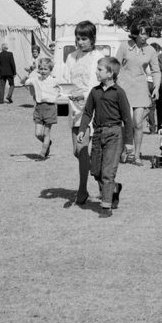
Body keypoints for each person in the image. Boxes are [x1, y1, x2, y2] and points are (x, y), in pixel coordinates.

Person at [76, 56, 133, 214]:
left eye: (100, 69)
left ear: (110, 73)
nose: (96, 72)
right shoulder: (94, 92)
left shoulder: (119, 93)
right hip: (98, 133)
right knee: (96, 171)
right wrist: (82, 129)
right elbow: (87, 113)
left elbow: (127, 118)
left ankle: (106, 205)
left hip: (114, 134)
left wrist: (129, 142)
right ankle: (114, 188)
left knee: (108, 172)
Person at [62, 20, 102, 206]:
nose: (80, 42)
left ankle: (82, 189)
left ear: (92, 39)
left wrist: (84, 95)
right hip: (74, 110)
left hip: (91, 110)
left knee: (82, 149)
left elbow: (99, 86)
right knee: (78, 153)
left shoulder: (98, 57)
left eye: (84, 38)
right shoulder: (71, 57)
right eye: (78, 38)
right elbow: (65, 81)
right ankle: (105, 182)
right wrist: (65, 96)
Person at [115, 22, 161, 164]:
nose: (144, 36)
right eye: (142, 33)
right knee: (125, 122)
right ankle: (124, 150)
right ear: (135, 32)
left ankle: (136, 155)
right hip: (123, 88)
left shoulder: (151, 50)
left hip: (141, 88)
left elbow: (156, 71)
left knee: (138, 123)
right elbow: (115, 65)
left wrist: (157, 87)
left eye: (147, 33)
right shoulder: (124, 46)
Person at [24, 56, 58, 159]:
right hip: (39, 108)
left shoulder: (54, 81)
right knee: (38, 133)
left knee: (46, 133)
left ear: (50, 70)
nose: (43, 71)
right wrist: (26, 80)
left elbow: (64, 88)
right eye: (41, 69)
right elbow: (26, 82)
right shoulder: (36, 79)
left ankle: (42, 154)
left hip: (50, 108)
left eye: (45, 69)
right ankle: (48, 143)